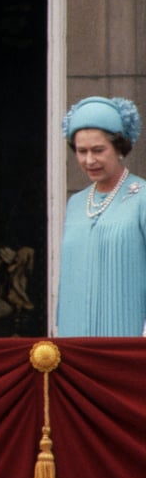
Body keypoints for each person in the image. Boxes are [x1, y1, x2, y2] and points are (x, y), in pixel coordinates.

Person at [56, 96, 146, 336]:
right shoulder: (76, 203)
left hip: (128, 341)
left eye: (98, 150)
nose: (89, 160)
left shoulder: (142, 198)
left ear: (120, 148)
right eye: (81, 151)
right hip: (75, 338)